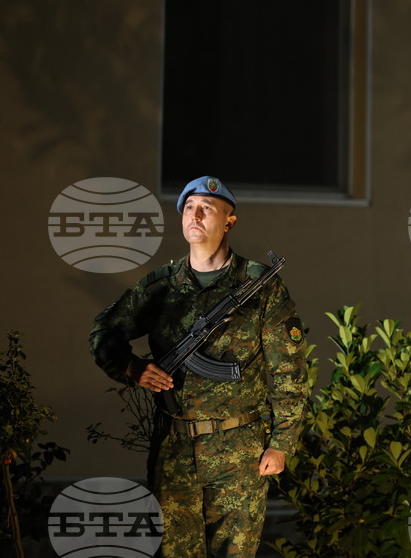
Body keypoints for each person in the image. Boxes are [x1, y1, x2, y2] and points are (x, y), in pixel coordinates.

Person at [89, 176, 308, 556]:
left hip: (239, 449)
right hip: (174, 448)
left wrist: (281, 444)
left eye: (207, 207)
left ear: (229, 221)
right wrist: (131, 369)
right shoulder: (160, 287)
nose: (196, 214)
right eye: (189, 207)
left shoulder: (259, 287)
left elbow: (288, 371)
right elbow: (105, 332)